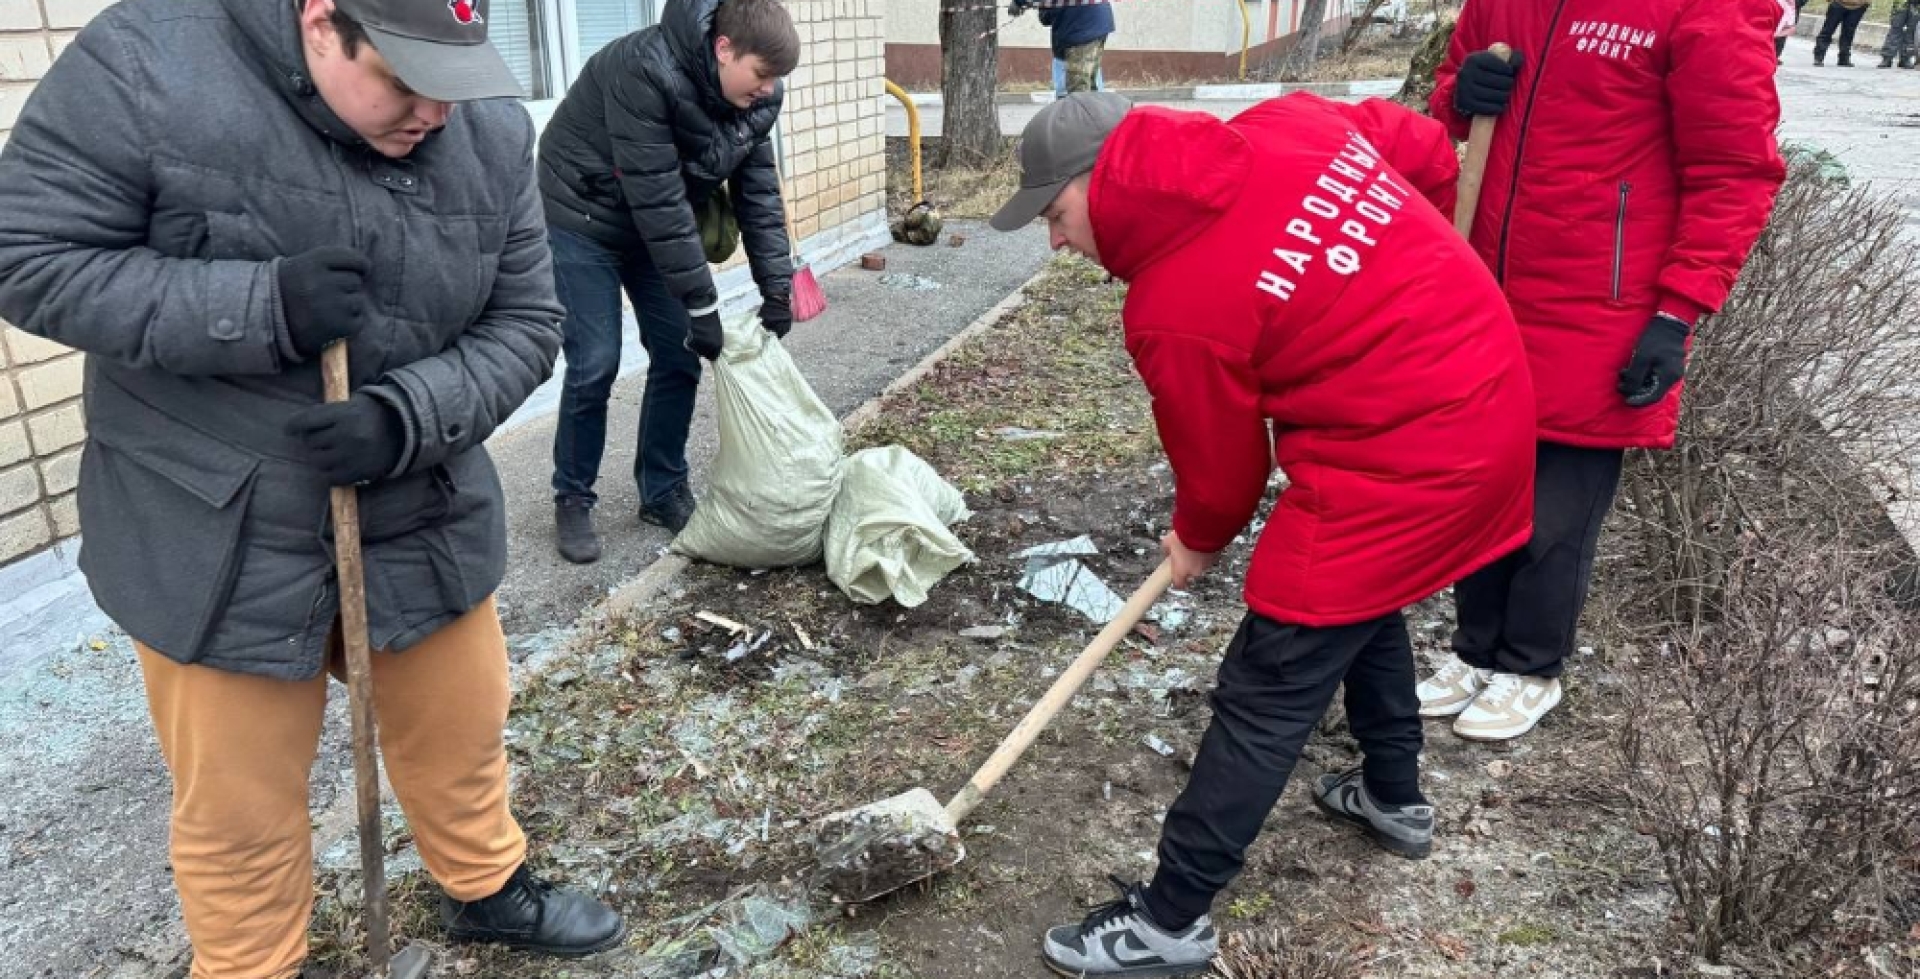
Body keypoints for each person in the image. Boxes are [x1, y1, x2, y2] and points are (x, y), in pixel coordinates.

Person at [0, 0, 629, 976]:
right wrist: (259, 304)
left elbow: (527, 320)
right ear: (321, 19)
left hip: (418, 502)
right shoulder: (146, 64)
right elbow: (30, 256)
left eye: (453, 82)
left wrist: (406, 418)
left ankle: (486, 885)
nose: (435, 114)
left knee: (461, 730)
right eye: (403, 80)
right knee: (239, 801)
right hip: (216, 522)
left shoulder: (489, 129)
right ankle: (252, 965)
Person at [989, 91, 1537, 978]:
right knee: (1360, 600)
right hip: (1492, 393)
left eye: (1056, 214)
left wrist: (1196, 538)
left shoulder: (1174, 302)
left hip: (1412, 452)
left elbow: (1224, 474)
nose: (1056, 242)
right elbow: (1429, 152)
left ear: (1104, 182)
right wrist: (1396, 276)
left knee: (1272, 674)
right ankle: (1394, 798)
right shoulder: (1289, 123)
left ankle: (1168, 922)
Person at [1426, 0, 1785, 741]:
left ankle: (1530, 665)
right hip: (1488, 288)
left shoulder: (1703, 10)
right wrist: (1459, 97)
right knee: (1481, 479)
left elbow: (1736, 171)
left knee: (1557, 504)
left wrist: (1677, 313)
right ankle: (1475, 650)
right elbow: (1451, 103)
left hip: (1605, 304)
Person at [538, 0, 799, 563]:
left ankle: (661, 490)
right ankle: (573, 498)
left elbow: (758, 195)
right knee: (596, 361)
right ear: (723, 48)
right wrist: (701, 302)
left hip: (653, 224)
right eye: (761, 76)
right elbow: (656, 195)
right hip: (582, 216)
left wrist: (777, 286)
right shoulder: (644, 68)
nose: (768, 90)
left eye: (776, 80)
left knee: (679, 354)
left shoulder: (759, 97)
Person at [1015, 0, 1114, 93]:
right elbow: (1047, 18)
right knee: (1089, 86)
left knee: (1078, 88)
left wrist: (1019, 2)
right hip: (1092, 22)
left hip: (1082, 27)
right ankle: (1091, 109)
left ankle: (1079, 110)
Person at [1814, 0, 1872, 65]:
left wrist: (1867, 2)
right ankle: (1819, 57)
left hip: (1859, 6)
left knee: (1849, 33)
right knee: (1828, 30)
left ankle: (1844, 58)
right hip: (1838, 4)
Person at [1882, 0, 1918, 68]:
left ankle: (1906, 58)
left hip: (1917, 5)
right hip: (1901, 3)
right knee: (1895, 28)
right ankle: (1887, 58)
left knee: (1912, 31)